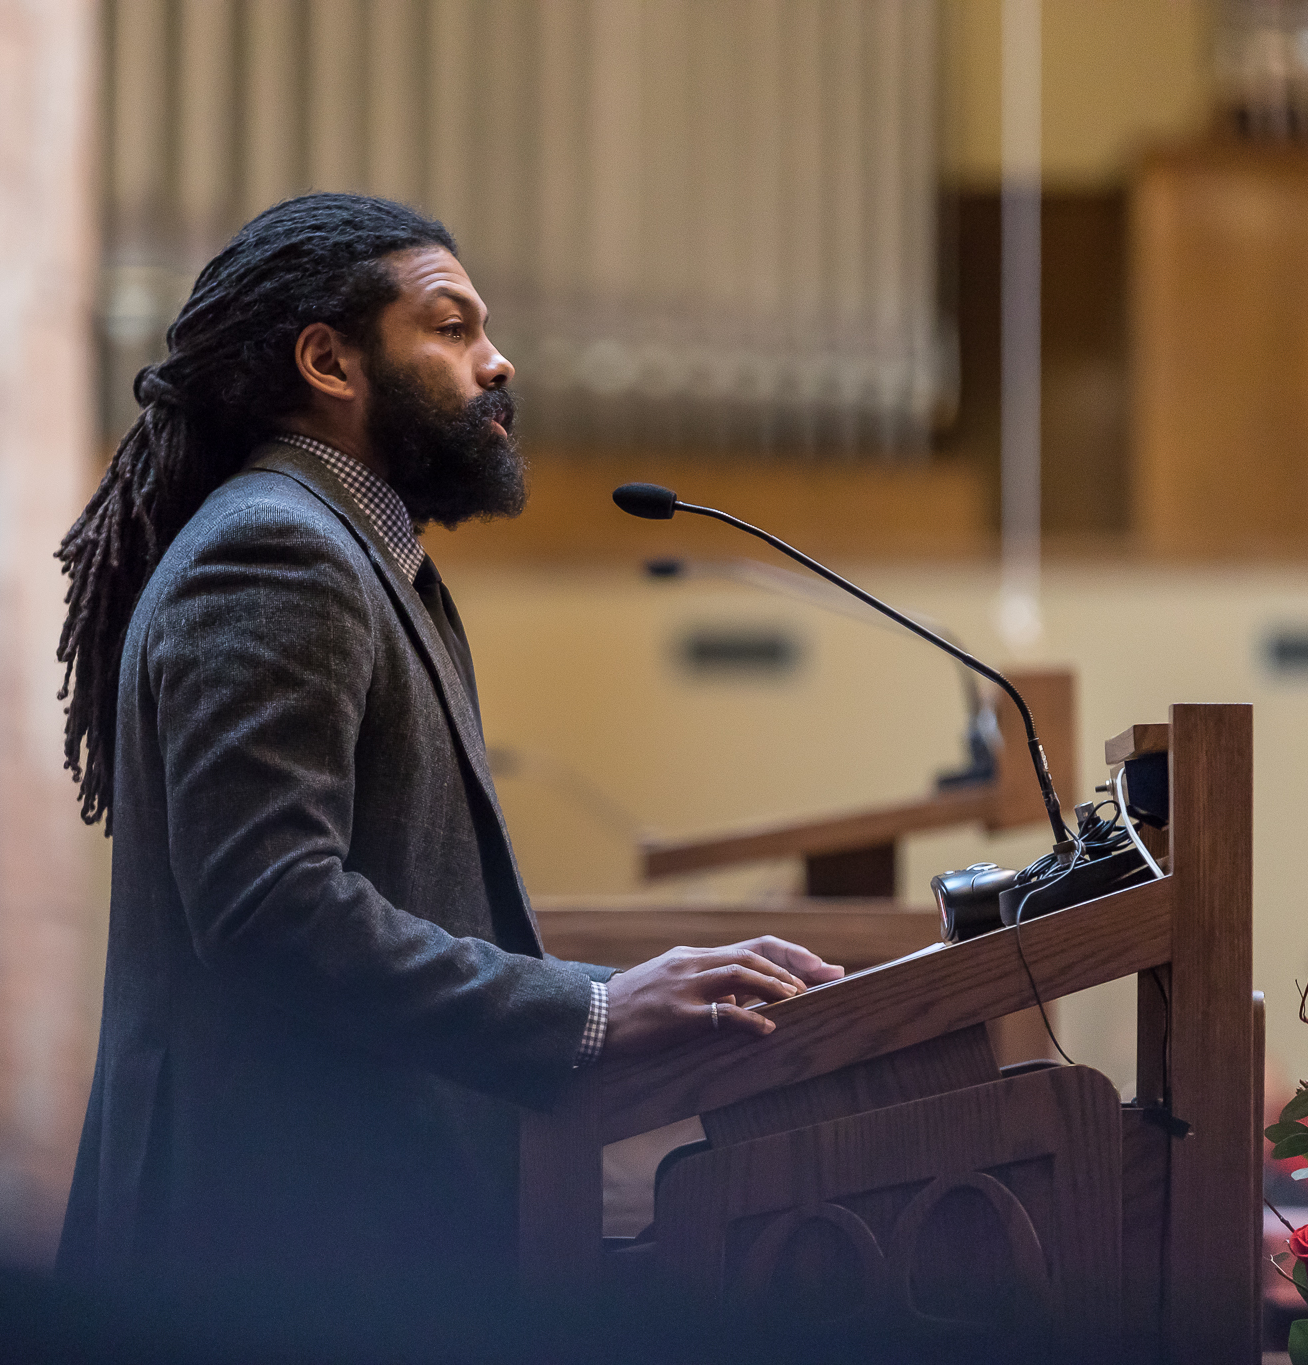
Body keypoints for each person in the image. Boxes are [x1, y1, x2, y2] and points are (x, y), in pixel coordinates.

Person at [52, 193, 842, 1293]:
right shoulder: (278, 554)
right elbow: (271, 908)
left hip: (338, 1226)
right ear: (329, 360)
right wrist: (595, 1009)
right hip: (272, 1247)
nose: (498, 360)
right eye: (451, 326)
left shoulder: (363, 561)